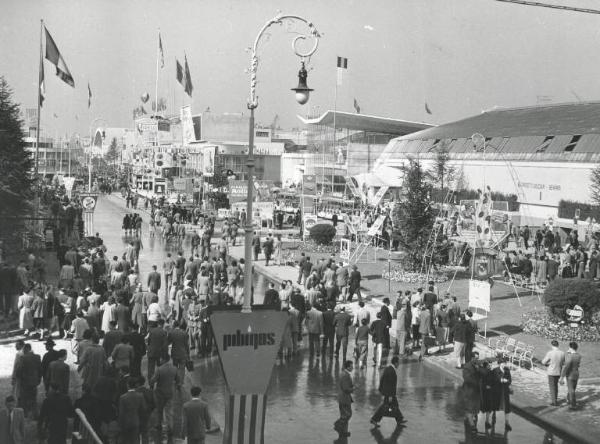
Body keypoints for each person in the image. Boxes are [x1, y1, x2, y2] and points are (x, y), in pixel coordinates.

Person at [150, 355, 181, 443]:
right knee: (169, 412)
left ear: (163, 359)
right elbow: (178, 380)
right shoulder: (174, 368)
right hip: (170, 392)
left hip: (160, 393)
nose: (160, 360)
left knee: (159, 410)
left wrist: (151, 383)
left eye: (161, 358)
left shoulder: (159, 369)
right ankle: (170, 428)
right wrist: (178, 388)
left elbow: (153, 380)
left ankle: (158, 424)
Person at [370, 355, 404, 426]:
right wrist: (390, 396)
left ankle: (399, 419)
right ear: (395, 363)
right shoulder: (391, 371)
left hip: (388, 393)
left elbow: (382, 380)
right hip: (389, 394)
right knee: (384, 407)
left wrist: (381, 390)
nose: (399, 364)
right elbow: (390, 385)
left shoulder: (388, 368)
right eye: (398, 363)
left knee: (395, 405)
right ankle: (374, 419)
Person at [15, 343, 41, 419]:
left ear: (26, 349)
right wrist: (38, 379)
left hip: (25, 382)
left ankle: (25, 414)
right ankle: (35, 415)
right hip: (34, 382)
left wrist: (19, 378)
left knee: (24, 399)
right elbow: (40, 370)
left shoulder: (23, 358)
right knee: (33, 398)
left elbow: (19, 371)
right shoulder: (37, 357)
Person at [118, 377, 147, 444]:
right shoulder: (140, 396)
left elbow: (121, 413)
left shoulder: (122, 397)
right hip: (136, 421)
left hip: (125, 423)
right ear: (135, 385)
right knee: (135, 440)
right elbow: (144, 409)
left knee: (125, 440)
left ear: (127, 385)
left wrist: (120, 425)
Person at [462, 351, 483, 433]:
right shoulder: (467, 366)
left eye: (478, 358)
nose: (477, 359)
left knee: (475, 408)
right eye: (475, 358)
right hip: (469, 390)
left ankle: (470, 421)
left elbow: (482, 375)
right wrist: (477, 382)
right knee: (470, 408)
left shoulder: (478, 366)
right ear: (472, 358)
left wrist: (481, 369)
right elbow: (467, 378)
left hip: (477, 390)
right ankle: (472, 426)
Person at [541, 339, 565, 406]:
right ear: (558, 345)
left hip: (551, 372)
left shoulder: (550, 353)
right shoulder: (562, 353)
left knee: (552, 387)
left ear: (552, 345)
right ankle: (555, 399)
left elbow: (543, 362)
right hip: (558, 371)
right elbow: (563, 363)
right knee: (555, 386)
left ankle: (554, 402)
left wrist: (548, 364)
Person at [334, 360, 354, 438]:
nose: (353, 368)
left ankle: (343, 431)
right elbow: (346, 389)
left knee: (343, 414)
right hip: (344, 398)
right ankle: (337, 425)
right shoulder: (346, 375)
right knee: (348, 414)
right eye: (351, 366)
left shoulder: (344, 373)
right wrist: (353, 388)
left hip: (342, 398)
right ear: (348, 367)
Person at [560, 341, 581, 409]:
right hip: (576, 374)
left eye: (569, 347)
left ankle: (573, 404)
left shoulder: (570, 356)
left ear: (571, 348)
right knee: (573, 389)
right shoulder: (579, 356)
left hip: (570, 375)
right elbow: (577, 364)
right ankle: (569, 400)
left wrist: (562, 377)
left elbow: (566, 367)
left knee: (571, 390)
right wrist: (569, 352)